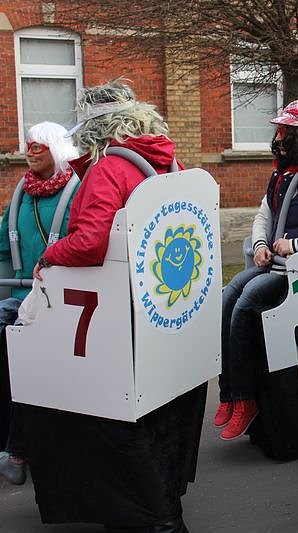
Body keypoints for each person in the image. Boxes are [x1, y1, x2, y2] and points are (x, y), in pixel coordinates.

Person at [31, 80, 192, 533]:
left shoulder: (106, 168)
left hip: (110, 314)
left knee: (111, 421)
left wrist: (51, 254)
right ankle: (163, 506)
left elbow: (91, 241)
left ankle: (150, 517)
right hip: (159, 312)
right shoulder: (164, 161)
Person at [214, 101, 298, 441]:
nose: (277, 138)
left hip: (295, 274)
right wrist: (260, 245)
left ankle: (245, 399)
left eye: (284, 132)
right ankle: (228, 393)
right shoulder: (281, 174)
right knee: (229, 296)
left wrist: (296, 244)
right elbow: (264, 217)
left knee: (246, 304)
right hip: (273, 266)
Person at [0, 122, 79, 486]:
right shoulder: (21, 196)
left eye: (39, 147)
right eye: (28, 146)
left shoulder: (78, 192)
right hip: (19, 296)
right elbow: (3, 246)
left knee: (21, 352)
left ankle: (17, 451)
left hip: (57, 302)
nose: (30, 152)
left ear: (57, 150)